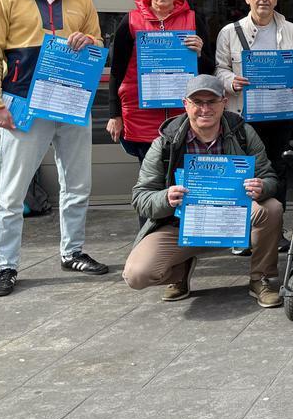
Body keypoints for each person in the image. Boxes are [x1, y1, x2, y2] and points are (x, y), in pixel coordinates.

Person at [0, 0, 108, 296]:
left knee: (78, 184)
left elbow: (96, 42)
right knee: (11, 192)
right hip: (21, 104)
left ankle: (73, 251)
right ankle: (5, 266)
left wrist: (90, 41)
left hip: (70, 101)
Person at [122, 75, 284, 307]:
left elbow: (269, 177)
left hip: (232, 219)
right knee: (136, 275)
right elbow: (140, 197)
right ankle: (180, 270)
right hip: (183, 226)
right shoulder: (165, 143)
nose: (204, 108)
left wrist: (262, 187)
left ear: (224, 102)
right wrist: (166, 198)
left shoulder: (243, 133)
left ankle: (261, 278)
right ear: (185, 103)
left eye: (212, 101)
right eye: (197, 102)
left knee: (272, 208)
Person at [214, 0, 293, 212]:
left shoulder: (292, 30)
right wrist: (232, 81)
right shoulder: (229, 32)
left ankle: (276, 232)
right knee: (243, 171)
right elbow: (219, 69)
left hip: (281, 115)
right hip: (243, 115)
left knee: (278, 170)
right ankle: (241, 236)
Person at [107, 0, 212, 166]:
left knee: (181, 176)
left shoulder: (193, 20)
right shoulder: (130, 21)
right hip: (140, 114)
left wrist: (199, 54)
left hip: (183, 115)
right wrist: (114, 114)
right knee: (149, 177)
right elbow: (117, 71)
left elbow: (210, 71)